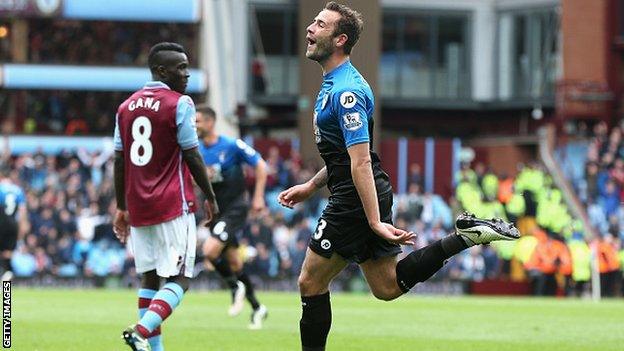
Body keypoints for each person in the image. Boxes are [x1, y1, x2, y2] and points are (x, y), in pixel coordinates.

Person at [277, 3, 520, 350]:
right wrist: (311, 185)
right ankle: (465, 238)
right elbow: (344, 158)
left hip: (355, 197)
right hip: (360, 189)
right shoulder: (333, 83)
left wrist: (374, 221)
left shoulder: (346, 92)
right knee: (387, 287)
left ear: (340, 39)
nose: (310, 29)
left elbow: (360, 162)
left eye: (320, 24)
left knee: (310, 282)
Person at [113, 42, 219, 351]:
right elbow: (192, 154)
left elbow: (119, 160)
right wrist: (210, 196)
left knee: (149, 278)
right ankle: (140, 331)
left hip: (138, 206)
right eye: (181, 68)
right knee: (180, 278)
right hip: (172, 203)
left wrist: (122, 206)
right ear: (161, 71)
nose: (187, 74)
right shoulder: (180, 103)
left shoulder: (125, 107)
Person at [196, 105, 269, 329]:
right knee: (235, 262)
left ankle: (234, 287)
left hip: (236, 208)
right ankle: (258, 308)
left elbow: (261, 166)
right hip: (215, 213)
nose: (194, 126)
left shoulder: (231, 145)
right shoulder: (196, 150)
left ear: (210, 122)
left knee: (209, 251)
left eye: (198, 121)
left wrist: (258, 197)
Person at [0, 170, 28, 281]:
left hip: (1, 221)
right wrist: (22, 228)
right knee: (8, 255)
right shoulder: (18, 190)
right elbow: (22, 212)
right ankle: (7, 295)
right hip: (12, 225)